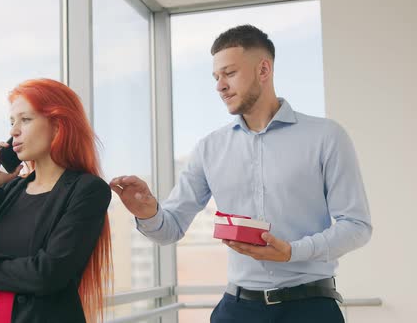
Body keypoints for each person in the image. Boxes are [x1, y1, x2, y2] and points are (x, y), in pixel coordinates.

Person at [109, 25, 372, 323]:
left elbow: (357, 225)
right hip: (237, 310)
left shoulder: (326, 136)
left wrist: (292, 252)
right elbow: (170, 228)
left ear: (263, 70)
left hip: (310, 308)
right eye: (216, 77)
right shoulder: (209, 148)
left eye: (229, 73)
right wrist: (148, 212)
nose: (219, 86)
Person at [0, 78, 112, 323]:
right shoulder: (9, 189)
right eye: (12, 122)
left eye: (25, 120)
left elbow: (46, 275)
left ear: (58, 126)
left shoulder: (87, 190)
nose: (13, 131)